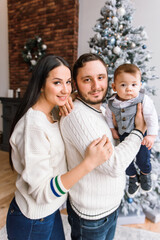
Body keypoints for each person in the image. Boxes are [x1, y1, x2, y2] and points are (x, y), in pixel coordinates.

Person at [6, 54, 113, 240]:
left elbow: (67, 94)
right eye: (57, 83)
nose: (65, 89)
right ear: (40, 84)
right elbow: (41, 192)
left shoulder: (52, 112)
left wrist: (69, 95)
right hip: (32, 218)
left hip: (49, 211)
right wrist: (89, 163)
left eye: (68, 82)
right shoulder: (33, 127)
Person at [60, 53, 146, 240]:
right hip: (92, 217)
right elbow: (114, 165)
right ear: (75, 83)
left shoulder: (104, 110)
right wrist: (138, 132)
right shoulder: (77, 116)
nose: (96, 86)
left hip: (110, 208)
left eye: (100, 77)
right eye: (87, 80)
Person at [105, 63, 159, 198]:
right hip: (123, 136)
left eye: (134, 85)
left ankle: (145, 174)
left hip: (142, 137)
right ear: (114, 87)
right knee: (126, 161)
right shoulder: (112, 103)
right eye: (123, 85)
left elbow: (151, 117)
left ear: (140, 85)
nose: (129, 89)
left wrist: (151, 136)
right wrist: (112, 129)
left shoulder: (143, 100)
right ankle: (133, 178)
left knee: (143, 159)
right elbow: (108, 117)